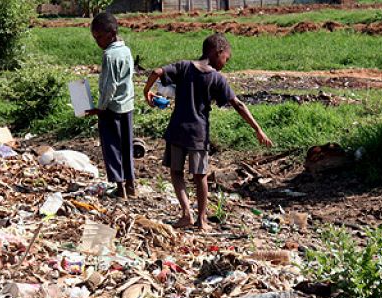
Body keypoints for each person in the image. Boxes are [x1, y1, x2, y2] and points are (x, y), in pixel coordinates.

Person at [143, 33, 273, 230]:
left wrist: (146, 92)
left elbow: (156, 71)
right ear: (217, 52)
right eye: (226, 58)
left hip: (177, 128)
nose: (225, 63)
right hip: (198, 133)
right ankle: (202, 220)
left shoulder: (184, 66)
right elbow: (237, 104)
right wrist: (258, 129)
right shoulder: (217, 78)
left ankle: (186, 213)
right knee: (200, 175)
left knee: (176, 172)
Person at [88, 12, 136, 199]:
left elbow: (109, 86)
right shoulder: (126, 51)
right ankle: (131, 185)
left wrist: (100, 107)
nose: (97, 41)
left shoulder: (109, 55)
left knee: (112, 148)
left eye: (99, 37)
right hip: (127, 106)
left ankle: (120, 187)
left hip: (111, 110)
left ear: (110, 33)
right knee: (126, 147)